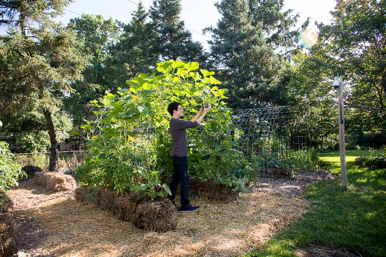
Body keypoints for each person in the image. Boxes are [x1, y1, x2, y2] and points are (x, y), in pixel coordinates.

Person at [167, 101, 211, 212]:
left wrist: (199, 112)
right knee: (185, 180)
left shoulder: (175, 122)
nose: (182, 110)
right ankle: (185, 205)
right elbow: (194, 124)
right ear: (175, 111)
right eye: (180, 108)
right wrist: (204, 114)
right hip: (180, 156)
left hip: (176, 155)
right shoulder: (177, 122)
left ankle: (169, 201)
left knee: (175, 179)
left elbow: (190, 122)